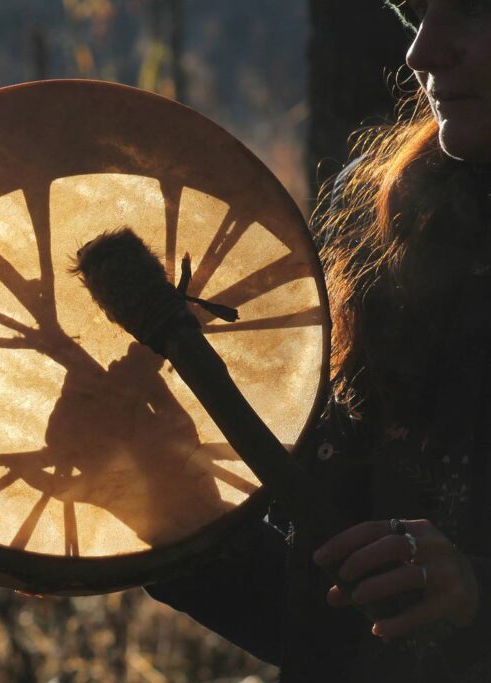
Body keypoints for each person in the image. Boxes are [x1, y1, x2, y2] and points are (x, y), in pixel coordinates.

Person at [145, 1, 491, 680]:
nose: (422, 53)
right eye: (418, 14)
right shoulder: (396, 231)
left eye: (472, 11)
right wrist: (168, 502)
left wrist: (480, 596)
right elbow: (323, 624)